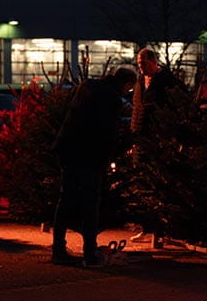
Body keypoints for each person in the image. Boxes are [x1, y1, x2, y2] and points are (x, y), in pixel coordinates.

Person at [51, 68, 138, 267]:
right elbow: (107, 134)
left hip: (68, 149)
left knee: (66, 199)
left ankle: (58, 250)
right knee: (90, 204)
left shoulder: (86, 86)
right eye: (129, 88)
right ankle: (89, 254)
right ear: (126, 84)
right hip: (89, 156)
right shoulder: (113, 100)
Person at [132, 47, 185, 134]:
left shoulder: (167, 80)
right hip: (140, 131)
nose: (140, 66)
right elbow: (136, 107)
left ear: (153, 61)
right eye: (139, 63)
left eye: (143, 63)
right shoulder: (140, 82)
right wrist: (134, 128)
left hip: (158, 132)